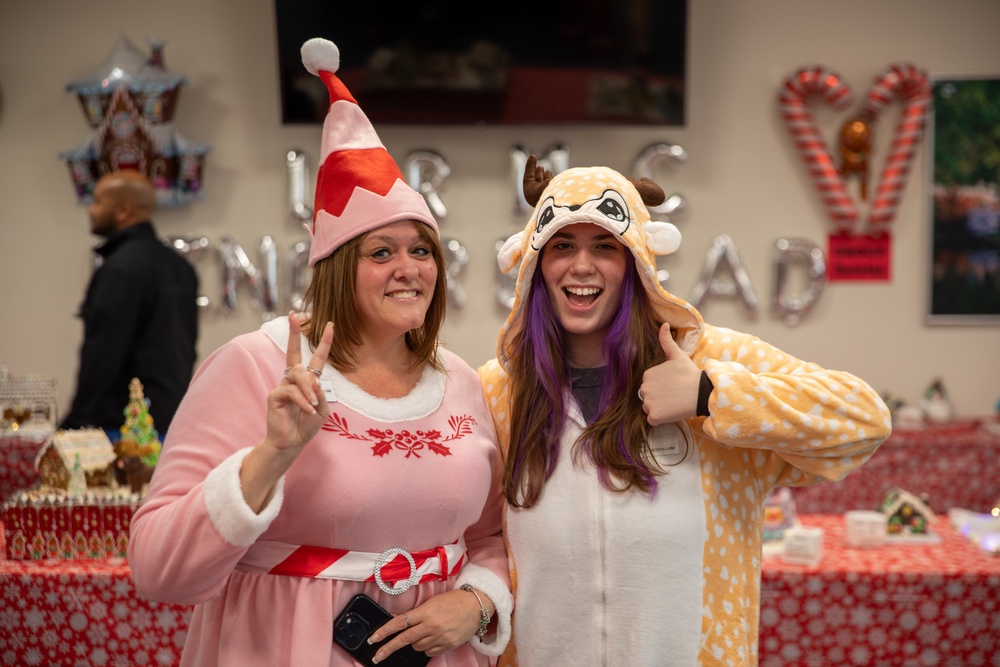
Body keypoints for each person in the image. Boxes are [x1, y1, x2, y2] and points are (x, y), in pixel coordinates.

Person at [128, 37, 512, 666]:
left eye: (421, 251)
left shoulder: (461, 381)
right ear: (336, 269)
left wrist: (478, 601)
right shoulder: (253, 366)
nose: (409, 269)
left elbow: (490, 536)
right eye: (380, 252)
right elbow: (157, 571)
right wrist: (273, 455)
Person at [478, 157, 892, 666]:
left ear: (637, 261)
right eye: (562, 244)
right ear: (535, 263)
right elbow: (474, 537)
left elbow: (865, 418)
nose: (581, 265)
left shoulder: (710, 360)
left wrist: (709, 395)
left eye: (605, 245)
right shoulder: (499, 391)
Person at [59, 168, 198, 437]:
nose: (91, 210)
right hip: (170, 422)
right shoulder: (180, 267)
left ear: (124, 211)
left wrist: (74, 424)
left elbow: (103, 354)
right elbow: (186, 350)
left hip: (123, 428)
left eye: (98, 202)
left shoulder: (120, 269)